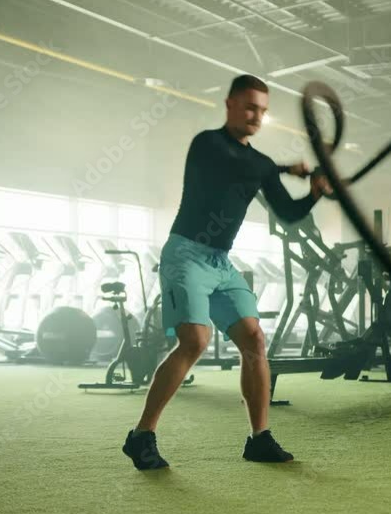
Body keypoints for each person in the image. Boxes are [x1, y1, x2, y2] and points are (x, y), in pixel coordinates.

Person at [122, 74, 332, 469]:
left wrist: (315, 191)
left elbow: (288, 215)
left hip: (221, 262)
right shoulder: (208, 144)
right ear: (230, 104)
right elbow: (237, 166)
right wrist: (283, 167)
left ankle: (259, 439)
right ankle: (141, 435)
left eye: (263, 111)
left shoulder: (260, 164)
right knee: (195, 341)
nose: (256, 116)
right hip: (185, 254)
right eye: (250, 107)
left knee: (254, 338)